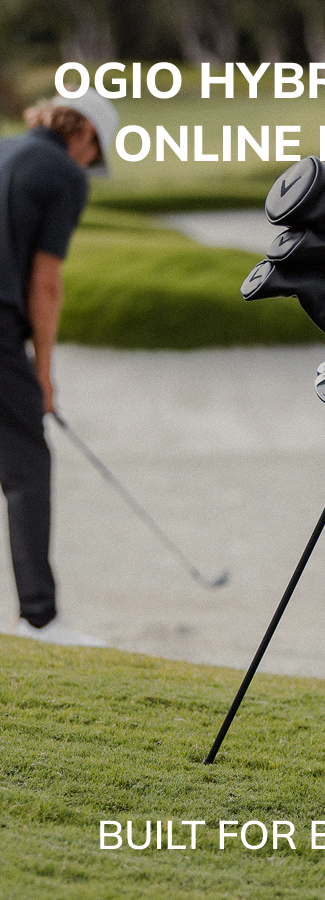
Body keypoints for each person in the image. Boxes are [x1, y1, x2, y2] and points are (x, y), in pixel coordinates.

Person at [0, 87, 119, 646]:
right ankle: (39, 619)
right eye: (94, 156)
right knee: (26, 467)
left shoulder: (3, 149)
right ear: (85, 133)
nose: (89, 165)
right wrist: (43, 375)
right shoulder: (64, 175)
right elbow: (45, 284)